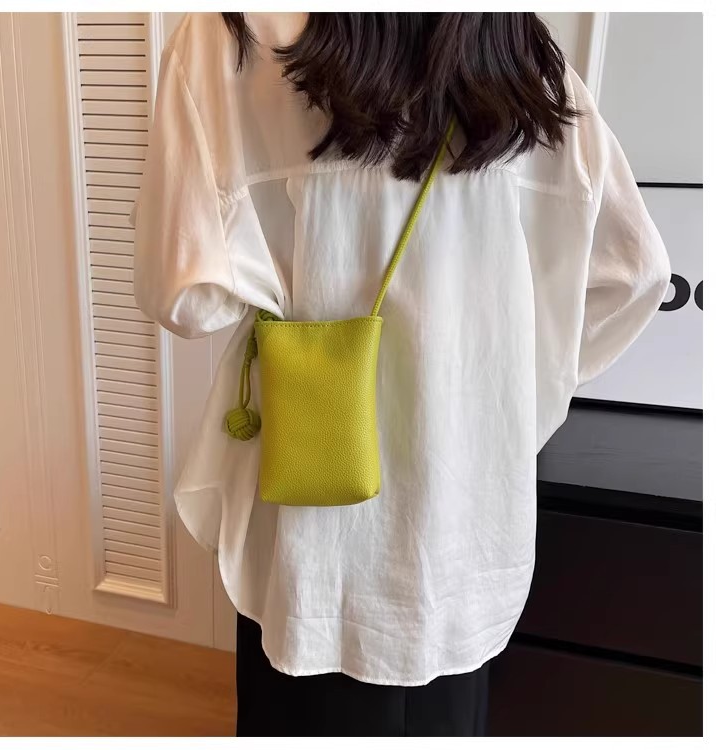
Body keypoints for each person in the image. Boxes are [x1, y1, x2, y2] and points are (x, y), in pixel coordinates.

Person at [131, 12, 671, 737]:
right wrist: (507, 384)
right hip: (466, 529)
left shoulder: (229, 37)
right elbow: (636, 272)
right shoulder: (517, 52)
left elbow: (181, 294)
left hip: (310, 535)